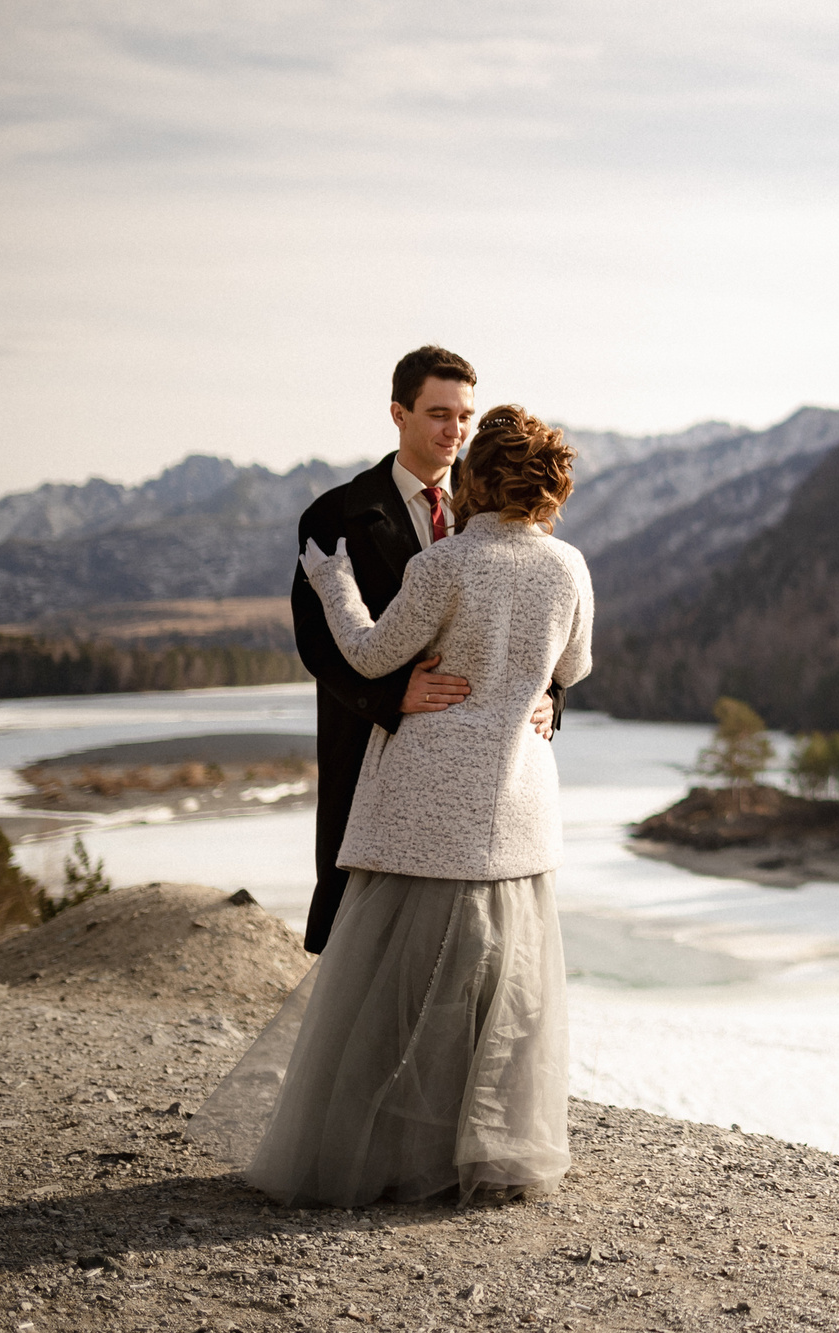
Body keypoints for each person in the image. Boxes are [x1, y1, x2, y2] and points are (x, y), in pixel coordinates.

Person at [199, 404, 594, 1206]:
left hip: (428, 803)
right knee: (500, 994)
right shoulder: (570, 567)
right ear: (550, 486)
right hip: (517, 804)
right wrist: (531, 687)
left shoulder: (447, 562)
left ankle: (374, 1154)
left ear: (479, 477)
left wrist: (333, 583)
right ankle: (485, 1154)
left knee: (394, 994)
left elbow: (372, 652)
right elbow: (575, 667)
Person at [291, 345, 556, 954]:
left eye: (464, 416)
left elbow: (544, 614)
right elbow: (317, 644)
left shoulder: (504, 503)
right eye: (439, 414)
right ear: (399, 414)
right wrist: (393, 693)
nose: (454, 431)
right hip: (369, 740)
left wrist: (552, 696)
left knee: (472, 944)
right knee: (361, 936)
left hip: (485, 776)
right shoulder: (334, 516)